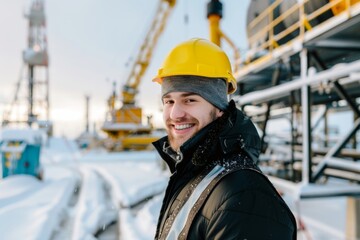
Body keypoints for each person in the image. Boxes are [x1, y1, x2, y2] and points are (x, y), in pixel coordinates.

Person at [152, 38, 297, 240]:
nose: (175, 114)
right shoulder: (196, 171)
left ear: (220, 108)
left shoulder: (245, 196)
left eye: (190, 100)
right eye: (169, 101)